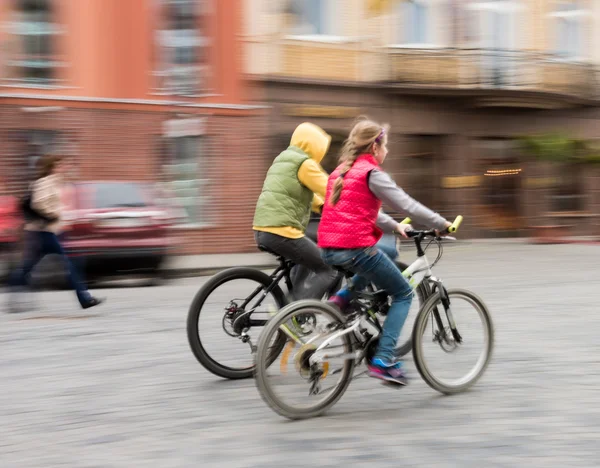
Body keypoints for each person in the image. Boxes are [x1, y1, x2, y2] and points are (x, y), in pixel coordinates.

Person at [318, 118, 451, 385]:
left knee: (385, 254)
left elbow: (359, 211)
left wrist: (394, 227)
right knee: (403, 293)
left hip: (329, 248)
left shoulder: (341, 172)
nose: (387, 152)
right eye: (386, 146)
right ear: (375, 147)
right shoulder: (372, 173)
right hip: (355, 248)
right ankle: (384, 360)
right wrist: (441, 224)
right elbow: (407, 205)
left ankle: (343, 298)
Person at [253, 123, 402, 301]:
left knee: (309, 258)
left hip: (263, 229)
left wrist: (322, 207)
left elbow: (304, 194)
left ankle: (293, 305)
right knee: (328, 268)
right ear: (313, 145)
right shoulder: (304, 163)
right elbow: (332, 188)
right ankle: (295, 313)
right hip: (282, 230)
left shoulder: (284, 159)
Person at [7, 154, 104, 313]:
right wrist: (53, 215)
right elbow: (38, 203)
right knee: (70, 263)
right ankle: (84, 298)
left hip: (51, 231)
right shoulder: (45, 182)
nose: (64, 167)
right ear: (52, 166)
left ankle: (13, 285)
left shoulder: (57, 183)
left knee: (28, 267)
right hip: (44, 231)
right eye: (60, 165)